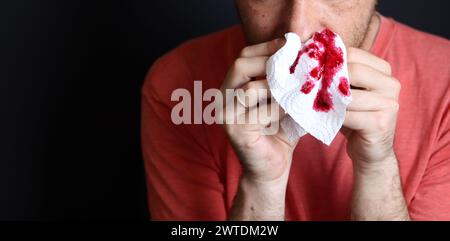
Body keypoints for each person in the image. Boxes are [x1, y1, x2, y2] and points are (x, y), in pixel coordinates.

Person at [141, 0, 450, 220]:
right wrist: (262, 183)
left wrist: (378, 169)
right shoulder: (178, 87)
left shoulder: (444, 82)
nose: (298, 29)